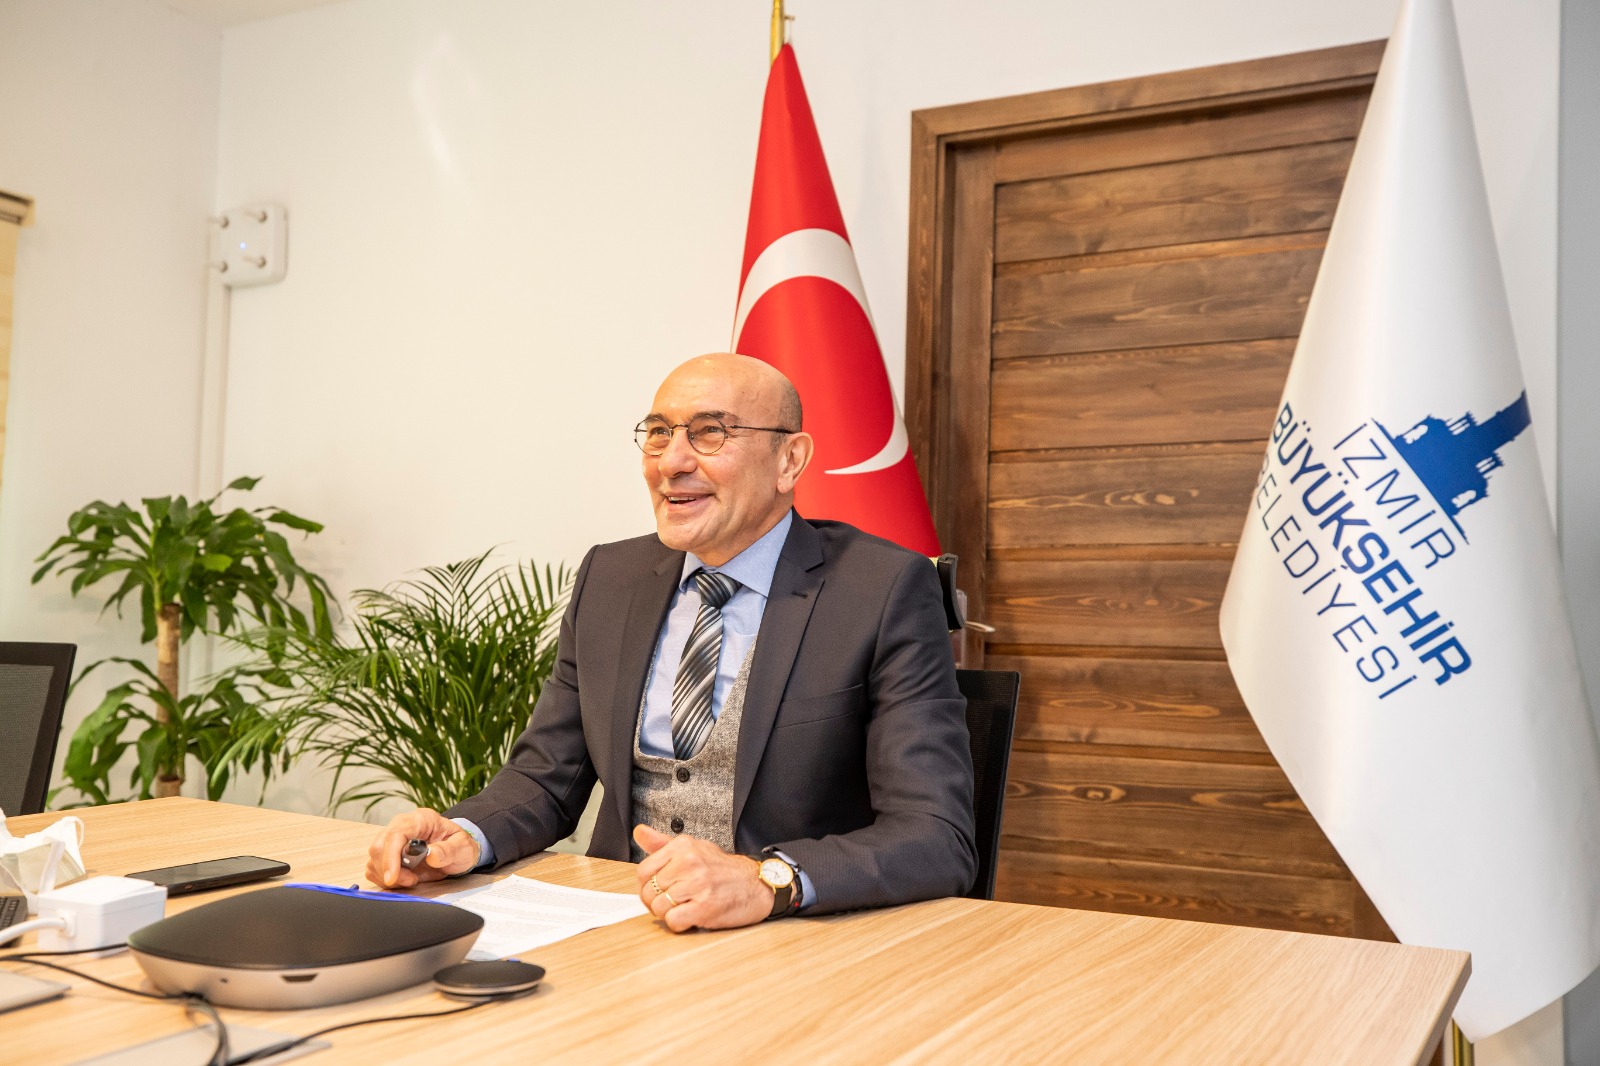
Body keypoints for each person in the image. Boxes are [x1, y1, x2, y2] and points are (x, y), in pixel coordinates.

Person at [366, 353, 974, 931]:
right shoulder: (610, 578)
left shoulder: (881, 589)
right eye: (658, 433)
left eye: (711, 433)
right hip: (619, 923)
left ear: (789, 461)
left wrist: (768, 880)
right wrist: (464, 836)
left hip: (789, 939)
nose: (671, 462)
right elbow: (546, 779)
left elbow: (934, 835)